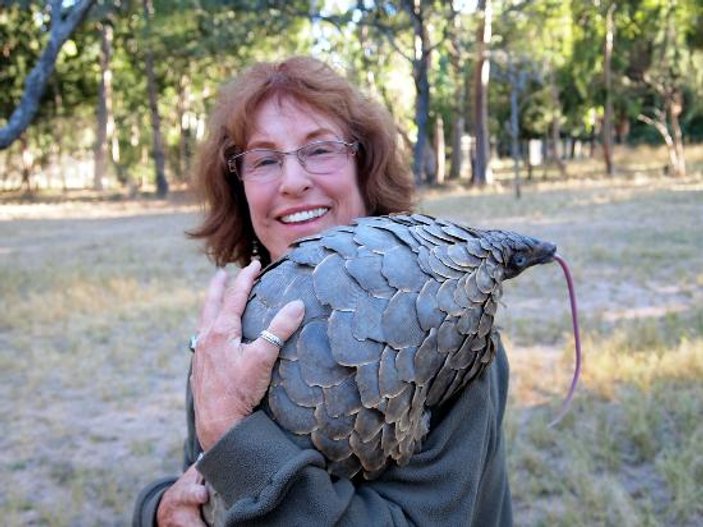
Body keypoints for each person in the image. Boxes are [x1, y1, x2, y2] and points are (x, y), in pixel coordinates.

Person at [133, 56, 513, 527]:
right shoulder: (231, 325)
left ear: (363, 166)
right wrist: (158, 511)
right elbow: (202, 480)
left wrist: (235, 437)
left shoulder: (441, 317)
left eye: (320, 150)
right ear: (240, 187)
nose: (294, 182)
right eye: (265, 160)